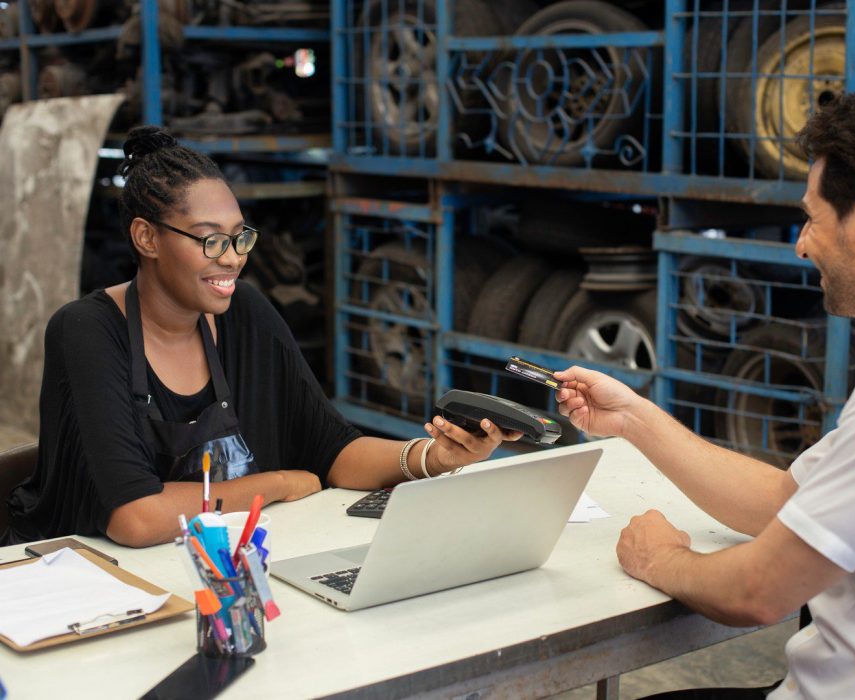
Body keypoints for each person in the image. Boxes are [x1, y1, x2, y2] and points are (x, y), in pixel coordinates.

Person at [556, 92, 855, 698]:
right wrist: (633, 417)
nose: (801, 243)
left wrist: (659, 558)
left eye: (812, 217)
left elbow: (756, 592)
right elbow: (783, 501)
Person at [3, 126, 518, 548]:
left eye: (239, 236)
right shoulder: (87, 331)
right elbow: (136, 518)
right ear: (146, 237)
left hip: (206, 573)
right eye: (210, 240)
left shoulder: (244, 313)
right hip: (85, 590)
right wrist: (273, 485)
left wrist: (432, 457)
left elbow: (333, 450)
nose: (232, 257)